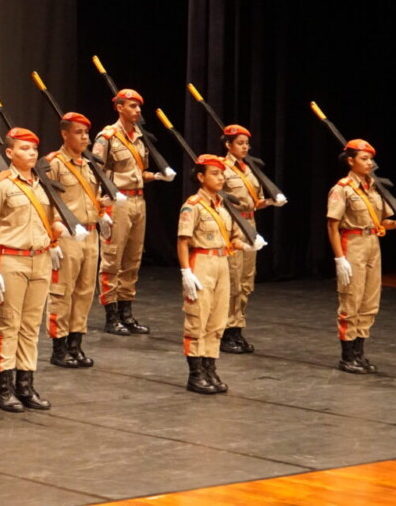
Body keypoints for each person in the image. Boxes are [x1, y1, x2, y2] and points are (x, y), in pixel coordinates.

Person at [0, 127, 69, 412]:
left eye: (33, 149)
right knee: (8, 324)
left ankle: (25, 385)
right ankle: (5, 388)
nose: (30, 153)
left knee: (31, 325)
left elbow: (47, 220)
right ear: (9, 152)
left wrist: (56, 232)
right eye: (24, 149)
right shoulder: (0, 184)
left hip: (39, 259)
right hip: (11, 259)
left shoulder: (43, 184)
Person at [326, 139, 396, 374]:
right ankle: (347, 356)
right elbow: (332, 226)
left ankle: (359, 353)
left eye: (370, 159)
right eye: (364, 159)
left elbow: (382, 223)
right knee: (351, 300)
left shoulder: (374, 188)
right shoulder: (342, 188)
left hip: (372, 244)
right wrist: (340, 258)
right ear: (350, 161)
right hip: (352, 244)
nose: (370, 163)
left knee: (369, 302)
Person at [178, 155, 264, 394]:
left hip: (222, 262)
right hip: (201, 261)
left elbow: (233, 238)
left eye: (221, 173)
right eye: (214, 174)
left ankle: (210, 367)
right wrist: (186, 272)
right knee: (198, 319)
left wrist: (248, 245)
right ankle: (195, 373)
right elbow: (183, 241)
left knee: (217, 321)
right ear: (201, 177)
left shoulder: (225, 206)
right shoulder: (193, 205)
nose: (220, 177)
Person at [92, 89, 173, 336]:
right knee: (112, 257)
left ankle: (126, 312)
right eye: (132, 106)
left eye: (138, 107)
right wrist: (100, 207)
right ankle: (111, 314)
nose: (137, 111)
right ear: (119, 108)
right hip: (117, 201)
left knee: (133, 259)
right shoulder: (107, 137)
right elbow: (96, 173)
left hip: (138, 201)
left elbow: (139, 173)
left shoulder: (139, 137)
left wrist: (157, 176)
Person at [44, 112, 109, 368]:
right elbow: (48, 204)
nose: (85, 138)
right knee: (63, 291)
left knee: (84, 292)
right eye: (79, 133)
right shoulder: (54, 163)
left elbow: (93, 196)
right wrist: (52, 240)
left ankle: (75, 343)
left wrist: (102, 211)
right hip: (67, 235)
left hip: (90, 234)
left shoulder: (91, 163)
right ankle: (59, 346)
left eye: (86, 133)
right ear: (65, 134)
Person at [218, 124, 286, 353]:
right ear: (228, 145)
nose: (245, 147)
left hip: (250, 223)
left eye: (247, 143)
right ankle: (225, 330)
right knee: (232, 279)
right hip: (232, 224)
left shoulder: (251, 169)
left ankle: (237, 328)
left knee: (246, 280)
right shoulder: (221, 168)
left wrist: (270, 202)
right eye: (240, 143)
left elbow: (255, 201)